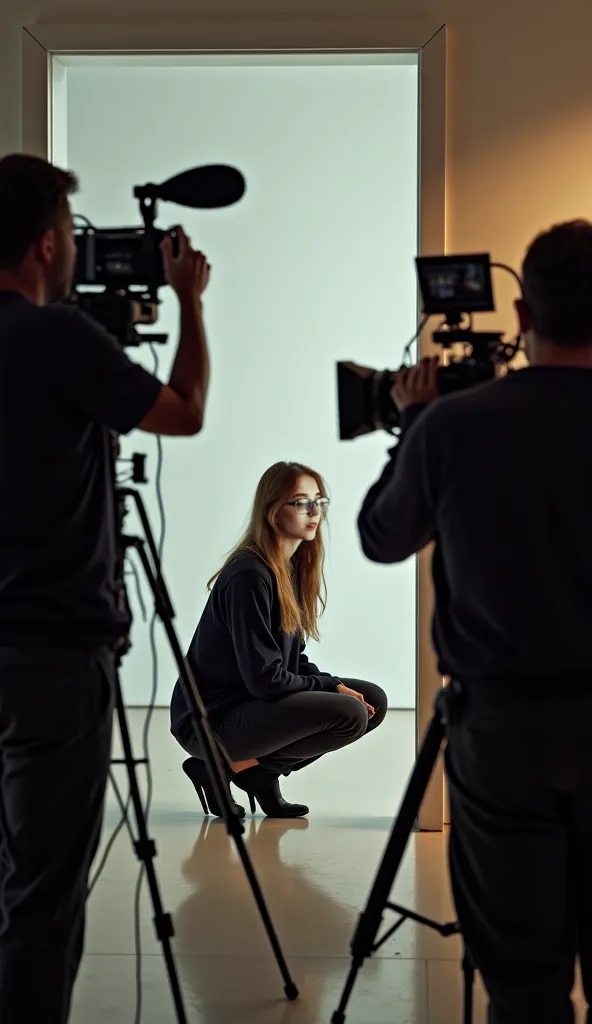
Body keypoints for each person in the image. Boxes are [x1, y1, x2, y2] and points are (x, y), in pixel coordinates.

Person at [357, 220, 592, 1024]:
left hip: (503, 731)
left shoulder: (459, 427)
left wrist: (413, 425)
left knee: (524, 984)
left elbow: (380, 538)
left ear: (523, 315)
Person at [0, 153, 213, 1024]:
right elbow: (184, 410)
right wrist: (190, 300)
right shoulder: (57, 339)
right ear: (48, 246)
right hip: (52, 653)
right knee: (43, 894)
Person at [170, 461, 388, 818]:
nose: (315, 511)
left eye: (319, 500)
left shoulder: (289, 569)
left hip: (251, 708)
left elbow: (293, 663)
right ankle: (231, 766)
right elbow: (267, 680)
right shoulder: (249, 574)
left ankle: (252, 773)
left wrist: (328, 684)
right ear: (272, 510)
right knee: (349, 711)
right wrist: (331, 687)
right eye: (301, 502)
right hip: (213, 720)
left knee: (371, 700)